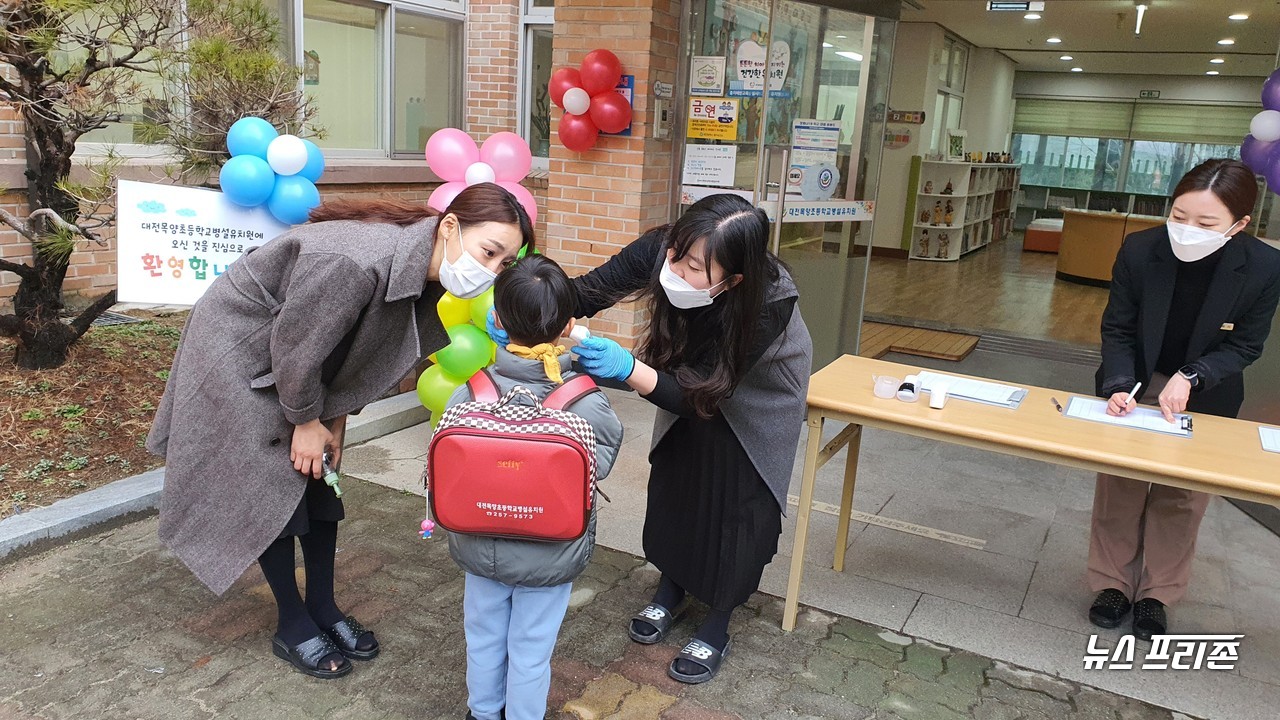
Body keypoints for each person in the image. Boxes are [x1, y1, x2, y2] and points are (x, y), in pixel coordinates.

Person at [147, 182, 534, 678]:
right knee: (272, 480)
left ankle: (324, 607)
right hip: (241, 348)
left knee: (321, 480)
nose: (491, 269)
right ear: (451, 227)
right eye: (489, 251)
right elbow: (298, 349)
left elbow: (350, 352)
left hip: (296, 356)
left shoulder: (422, 264)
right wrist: (306, 421)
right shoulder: (354, 262)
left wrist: (336, 422)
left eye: (504, 261)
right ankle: (292, 623)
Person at [490, 193, 812, 683]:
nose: (675, 269)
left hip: (755, 402)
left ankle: (718, 620)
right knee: (675, 484)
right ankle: (670, 590)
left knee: (736, 508)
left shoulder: (768, 304)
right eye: (675, 255)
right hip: (688, 381)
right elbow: (585, 294)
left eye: (694, 267)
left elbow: (700, 396)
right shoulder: (662, 250)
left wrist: (629, 369)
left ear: (735, 278)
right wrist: (521, 311)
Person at [1088, 159, 1280, 640]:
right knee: (1121, 483)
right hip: (1138, 378)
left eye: (1206, 223)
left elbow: (1245, 345)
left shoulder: (1263, 266)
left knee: (1182, 496)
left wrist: (1193, 374)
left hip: (1205, 390)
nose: (1187, 229)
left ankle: (1158, 594)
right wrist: (1117, 384)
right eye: (1179, 216)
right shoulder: (1140, 248)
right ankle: (1112, 583)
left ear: (1238, 225)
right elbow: (1119, 327)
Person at [445, 255, 624, 720]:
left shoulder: (474, 389)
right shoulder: (582, 398)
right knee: (531, 647)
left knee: (482, 635)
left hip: (479, 545)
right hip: (551, 550)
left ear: (497, 320)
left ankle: (483, 713)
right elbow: (597, 463)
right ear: (567, 325)